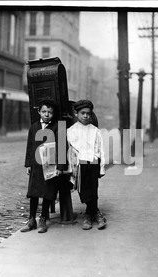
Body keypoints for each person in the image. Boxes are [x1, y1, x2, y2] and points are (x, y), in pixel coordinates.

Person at [22, 99, 67, 233]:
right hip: (36, 164)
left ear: (54, 114)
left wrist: (60, 167)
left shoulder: (59, 127)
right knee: (34, 192)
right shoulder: (34, 127)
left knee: (47, 191)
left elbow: (62, 147)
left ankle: (43, 219)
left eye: (50, 112)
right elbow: (30, 146)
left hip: (50, 165)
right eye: (44, 112)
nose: (46, 115)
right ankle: (31, 220)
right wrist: (28, 164)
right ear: (39, 112)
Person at [67, 100, 106, 230]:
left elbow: (101, 150)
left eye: (88, 114)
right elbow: (71, 151)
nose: (85, 116)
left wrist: (101, 167)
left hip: (93, 163)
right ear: (76, 113)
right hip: (80, 165)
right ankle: (95, 212)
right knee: (84, 191)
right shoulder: (71, 131)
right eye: (82, 113)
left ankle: (89, 216)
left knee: (93, 189)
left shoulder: (95, 131)